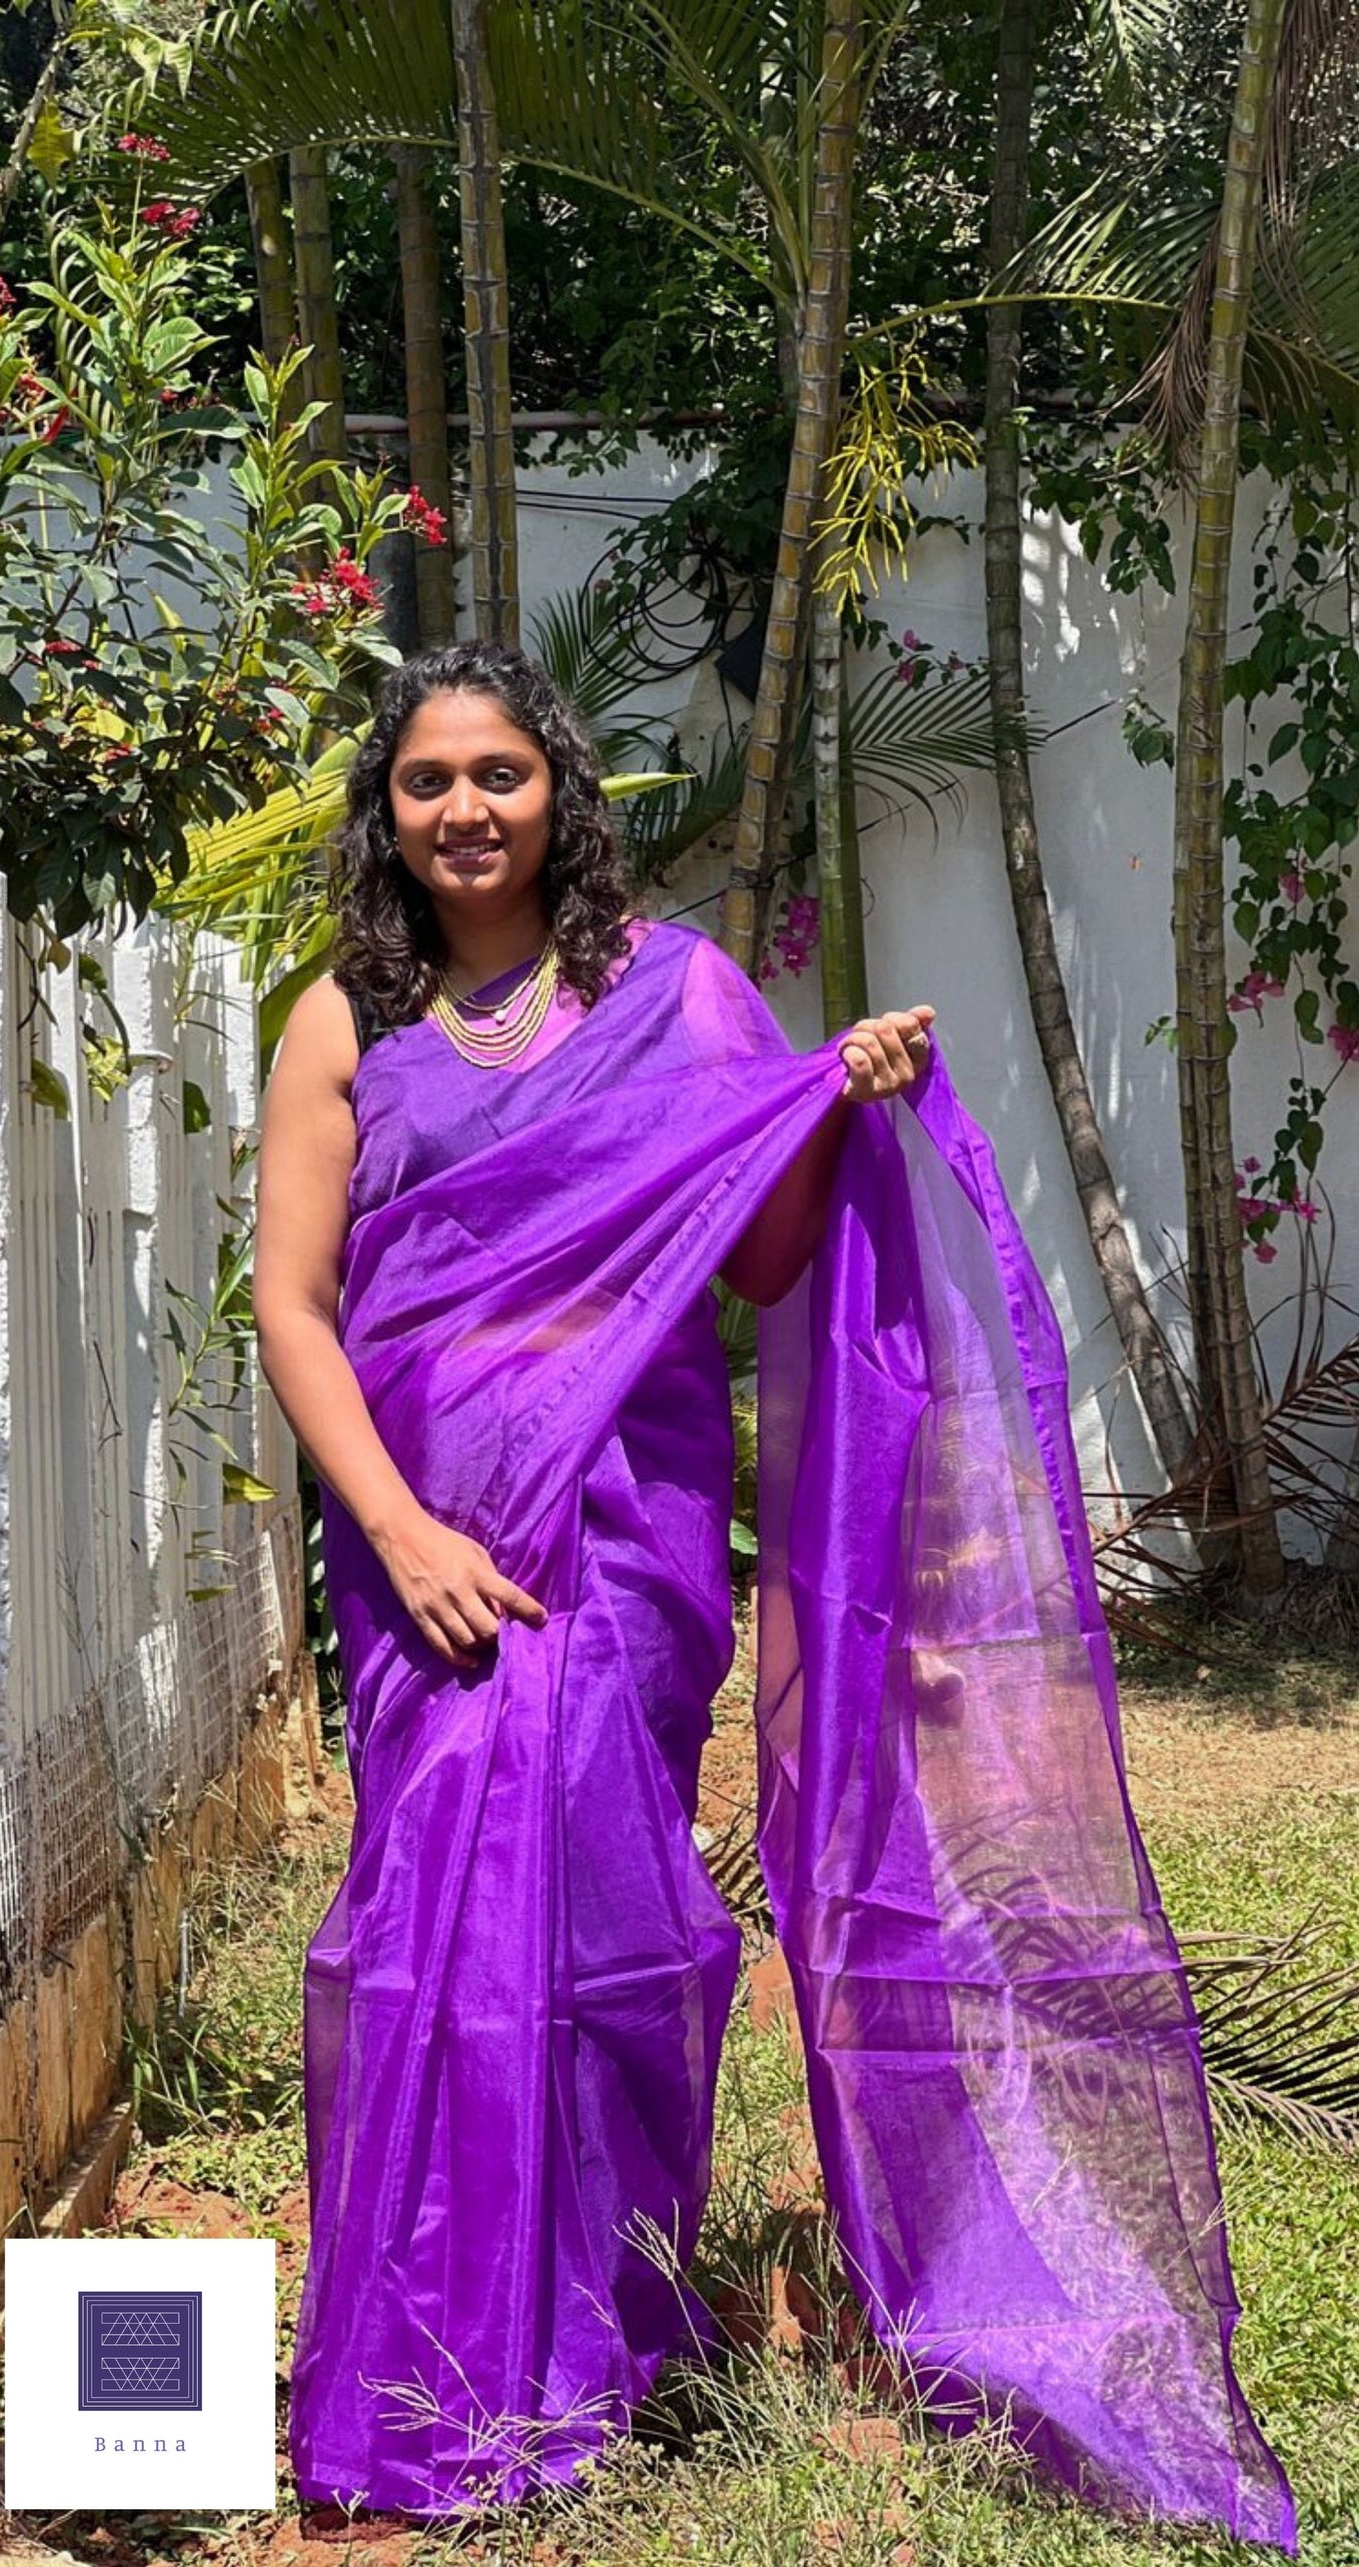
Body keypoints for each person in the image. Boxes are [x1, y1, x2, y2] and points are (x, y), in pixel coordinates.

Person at [253, 640, 1295, 2551]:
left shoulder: (672, 995)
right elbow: (294, 1304)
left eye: (498, 773)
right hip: (424, 1547)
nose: (464, 810)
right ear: (384, 813)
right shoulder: (343, 1023)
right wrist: (400, 1531)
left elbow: (768, 1260)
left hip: (615, 1537)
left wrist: (822, 1097)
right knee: (423, 1920)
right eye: (426, 783)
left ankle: (591, 2345)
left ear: (555, 788)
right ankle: (423, 2353)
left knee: (603, 1908)